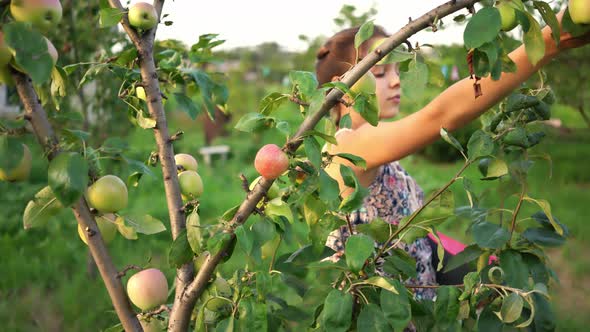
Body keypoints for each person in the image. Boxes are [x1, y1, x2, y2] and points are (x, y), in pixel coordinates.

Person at [317, 15, 590, 300]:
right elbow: (441, 114)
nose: (397, 81)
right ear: (343, 85)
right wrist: (544, 43)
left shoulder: (370, 142)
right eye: (383, 73)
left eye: (397, 70)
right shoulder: (349, 145)